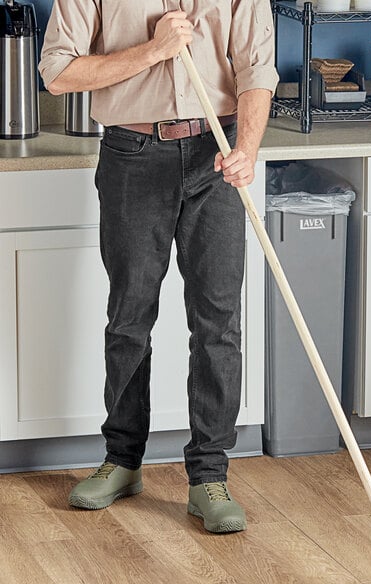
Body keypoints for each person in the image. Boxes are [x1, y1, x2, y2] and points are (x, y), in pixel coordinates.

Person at [39, 0, 279, 534]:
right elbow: (57, 72)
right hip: (132, 153)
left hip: (216, 152)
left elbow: (257, 69)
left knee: (218, 323)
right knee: (129, 318)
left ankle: (210, 476)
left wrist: (247, 148)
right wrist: (154, 50)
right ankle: (123, 461)